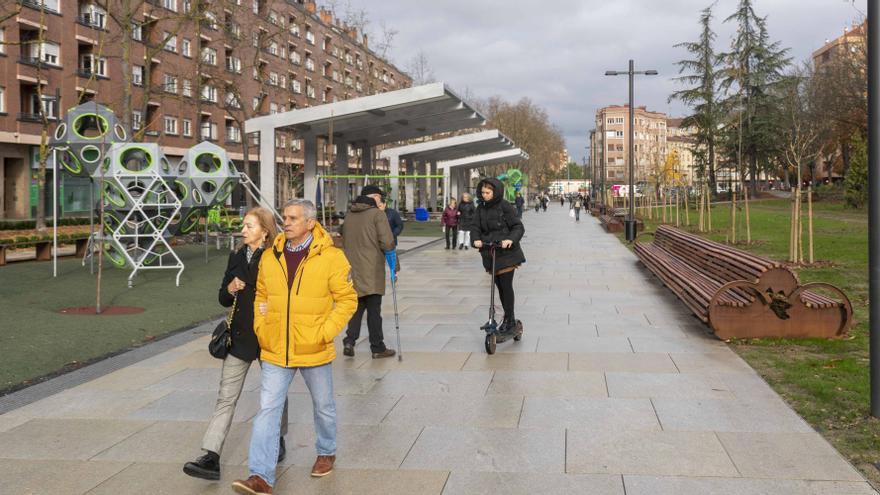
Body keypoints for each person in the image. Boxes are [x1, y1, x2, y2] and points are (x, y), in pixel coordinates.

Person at [231, 199, 357, 495]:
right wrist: (263, 327)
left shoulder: (332, 257)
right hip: (275, 348)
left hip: (313, 347)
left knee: (323, 407)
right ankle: (260, 476)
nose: (285, 222)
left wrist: (324, 332)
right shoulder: (270, 255)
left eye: (293, 218)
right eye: (284, 217)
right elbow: (261, 293)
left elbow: (348, 300)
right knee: (267, 411)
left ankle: (326, 451)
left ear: (310, 223)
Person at [184, 207, 288, 482]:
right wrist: (230, 289)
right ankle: (211, 456)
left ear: (264, 231)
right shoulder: (236, 255)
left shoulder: (277, 255)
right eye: (244, 225)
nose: (243, 230)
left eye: (249, 226)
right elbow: (222, 298)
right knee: (225, 398)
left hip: (268, 336)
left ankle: (277, 437)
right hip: (239, 337)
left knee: (274, 395)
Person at [340, 185, 397, 359]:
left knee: (356, 308)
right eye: (378, 196)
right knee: (374, 310)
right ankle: (377, 347)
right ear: (373, 197)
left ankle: (349, 340)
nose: (380, 200)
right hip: (372, 269)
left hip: (352, 268)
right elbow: (387, 242)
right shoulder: (377, 215)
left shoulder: (349, 216)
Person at [471, 178, 526, 334]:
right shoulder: (480, 208)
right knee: (499, 288)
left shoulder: (505, 206)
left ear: (495, 192)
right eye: (482, 192)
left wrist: (510, 239)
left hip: (506, 253)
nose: (485, 195)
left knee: (506, 286)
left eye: (487, 193)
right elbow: (475, 226)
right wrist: (475, 239)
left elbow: (518, 226)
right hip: (490, 252)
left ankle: (510, 320)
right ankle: (508, 318)